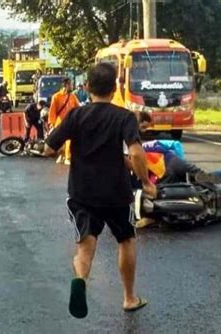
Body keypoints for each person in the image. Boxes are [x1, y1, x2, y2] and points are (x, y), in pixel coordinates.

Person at [44, 63, 157, 319]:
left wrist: (65, 151)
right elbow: (137, 152)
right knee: (126, 239)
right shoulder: (124, 116)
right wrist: (147, 183)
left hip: (82, 192)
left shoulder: (75, 116)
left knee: (85, 246)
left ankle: (81, 279)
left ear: (87, 88)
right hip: (116, 192)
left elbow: (49, 148)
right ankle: (129, 298)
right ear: (115, 86)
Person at [48, 77, 80, 165]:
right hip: (60, 122)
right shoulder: (56, 96)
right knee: (60, 141)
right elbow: (52, 110)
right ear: (66, 85)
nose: (71, 86)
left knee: (69, 140)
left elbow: (78, 108)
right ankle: (61, 155)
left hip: (71, 122)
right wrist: (51, 123)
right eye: (70, 84)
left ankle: (68, 157)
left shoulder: (73, 96)